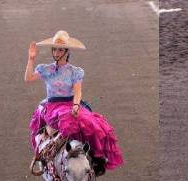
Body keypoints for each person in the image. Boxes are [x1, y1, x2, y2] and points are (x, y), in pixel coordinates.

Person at [25, 30, 124, 171]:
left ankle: (96, 157)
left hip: (71, 103)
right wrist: (31, 59)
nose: (57, 53)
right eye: (55, 49)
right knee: (67, 119)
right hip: (54, 106)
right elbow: (28, 78)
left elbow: (77, 91)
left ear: (66, 52)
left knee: (92, 123)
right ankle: (46, 155)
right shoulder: (46, 69)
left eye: (60, 50)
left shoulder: (75, 71)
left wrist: (76, 105)